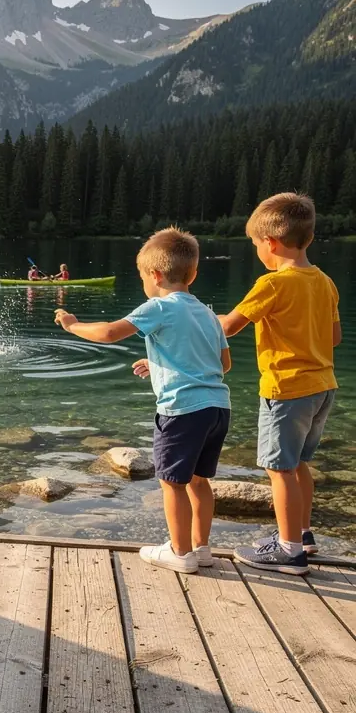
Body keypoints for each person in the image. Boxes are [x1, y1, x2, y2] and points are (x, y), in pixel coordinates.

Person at [55, 228, 231, 574]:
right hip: (218, 408)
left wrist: (73, 326)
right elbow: (223, 363)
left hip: (182, 410)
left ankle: (179, 553)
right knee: (199, 480)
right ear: (192, 274)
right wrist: (160, 363)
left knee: (172, 482)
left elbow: (108, 333)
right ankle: (201, 548)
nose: (143, 284)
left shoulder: (160, 307)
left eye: (141, 277)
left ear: (155, 275)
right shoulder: (209, 314)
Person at [219, 193, 341, 574]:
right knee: (299, 463)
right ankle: (303, 535)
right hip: (323, 386)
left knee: (280, 469)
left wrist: (200, 318)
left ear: (269, 242)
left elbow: (228, 327)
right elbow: (334, 337)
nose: (257, 250)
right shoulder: (324, 281)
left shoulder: (272, 284)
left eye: (255, 243)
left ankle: (289, 552)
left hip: (286, 389)